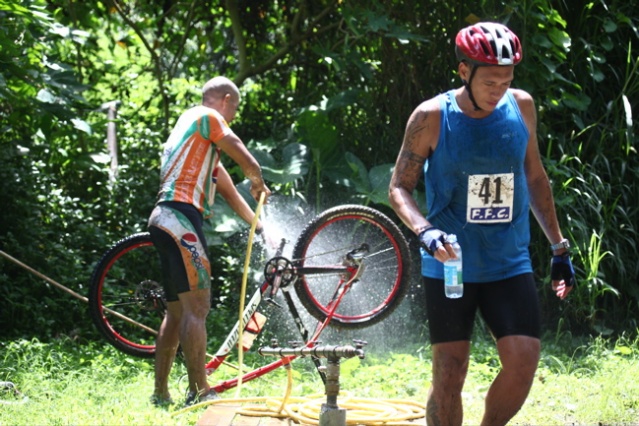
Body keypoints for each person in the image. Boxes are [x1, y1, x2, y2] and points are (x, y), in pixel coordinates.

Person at [388, 23, 576, 425]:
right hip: (450, 263)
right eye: (490, 82)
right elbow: (399, 188)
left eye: (506, 82)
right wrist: (425, 230)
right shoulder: (432, 116)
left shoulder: (521, 107)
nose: (498, 91)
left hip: (507, 260)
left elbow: (535, 177)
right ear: (463, 71)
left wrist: (559, 248)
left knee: (523, 361)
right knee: (450, 371)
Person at [148, 76, 271, 406]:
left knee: (177, 312)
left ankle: (161, 393)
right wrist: (258, 181)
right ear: (227, 100)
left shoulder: (193, 138)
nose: (232, 118)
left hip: (162, 218)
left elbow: (229, 192)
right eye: (235, 110)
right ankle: (199, 390)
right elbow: (242, 153)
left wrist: (262, 229)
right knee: (198, 308)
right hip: (182, 219)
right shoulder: (207, 116)